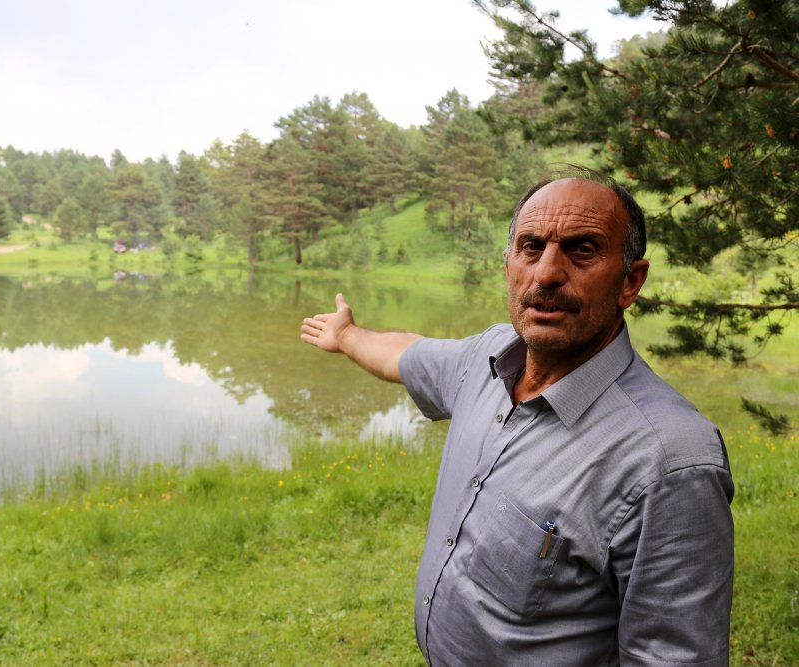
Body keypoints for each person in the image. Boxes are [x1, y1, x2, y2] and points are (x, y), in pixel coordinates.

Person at [300, 174, 734, 666]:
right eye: (531, 247)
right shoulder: (487, 358)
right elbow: (407, 354)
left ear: (630, 281)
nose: (547, 273)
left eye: (583, 250)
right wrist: (348, 336)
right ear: (508, 265)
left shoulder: (669, 463)